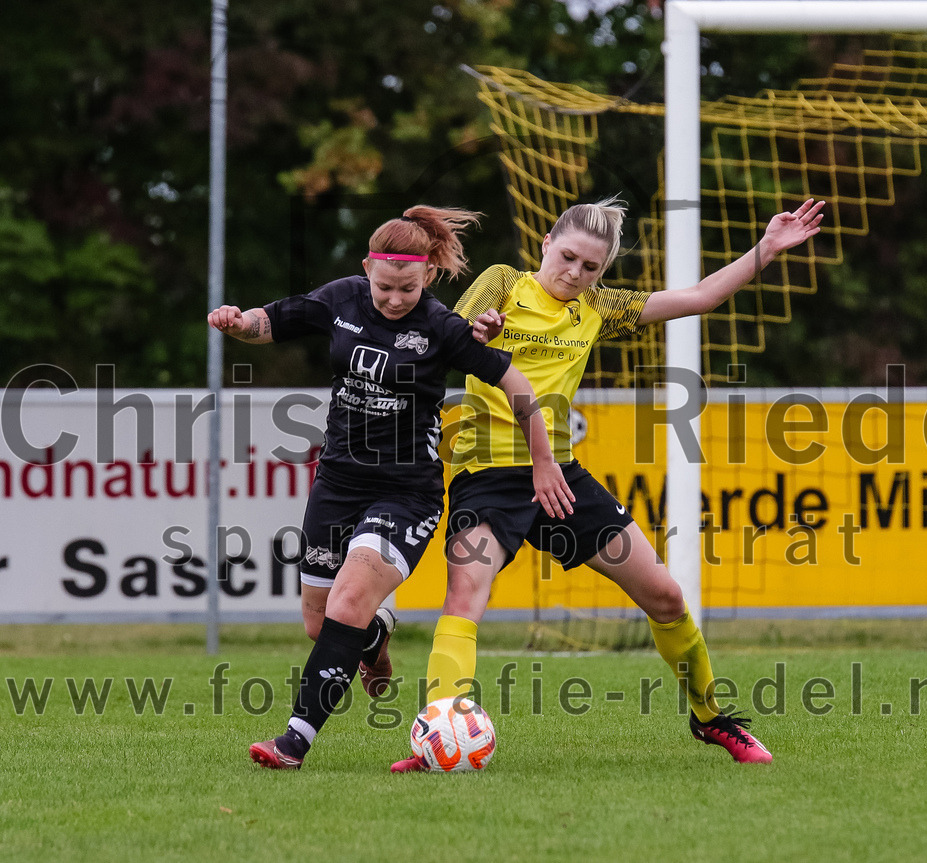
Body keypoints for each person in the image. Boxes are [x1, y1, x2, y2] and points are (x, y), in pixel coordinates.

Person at [390, 197, 825, 771]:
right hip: (488, 476)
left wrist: (764, 251)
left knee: (666, 596)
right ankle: (437, 738)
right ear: (547, 243)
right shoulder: (503, 282)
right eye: (568, 257)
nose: (574, 273)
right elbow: (463, 329)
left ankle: (711, 717)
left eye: (591, 267)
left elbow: (698, 298)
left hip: (561, 480)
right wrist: (483, 329)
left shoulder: (598, 308)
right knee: (465, 596)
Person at [208, 205, 572, 769]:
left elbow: (515, 381)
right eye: (384, 288)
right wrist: (238, 322)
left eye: (407, 288)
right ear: (366, 272)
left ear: (427, 274)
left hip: (407, 491)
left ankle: (294, 741)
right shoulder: (343, 299)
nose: (394, 299)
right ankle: (374, 638)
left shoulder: (442, 327)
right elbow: (274, 320)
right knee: (318, 621)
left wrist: (543, 459)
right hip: (337, 482)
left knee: (348, 600)